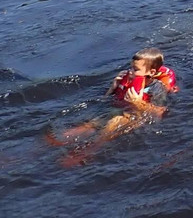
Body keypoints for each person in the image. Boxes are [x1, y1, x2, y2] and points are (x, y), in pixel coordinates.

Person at [47, 48, 178, 163]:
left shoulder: (157, 88)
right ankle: (61, 139)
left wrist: (139, 103)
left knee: (112, 125)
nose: (130, 71)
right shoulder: (126, 81)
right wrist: (112, 88)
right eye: (130, 67)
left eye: (136, 69)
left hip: (134, 116)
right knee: (91, 124)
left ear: (152, 72)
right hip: (116, 109)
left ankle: (88, 151)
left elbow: (159, 112)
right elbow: (106, 99)